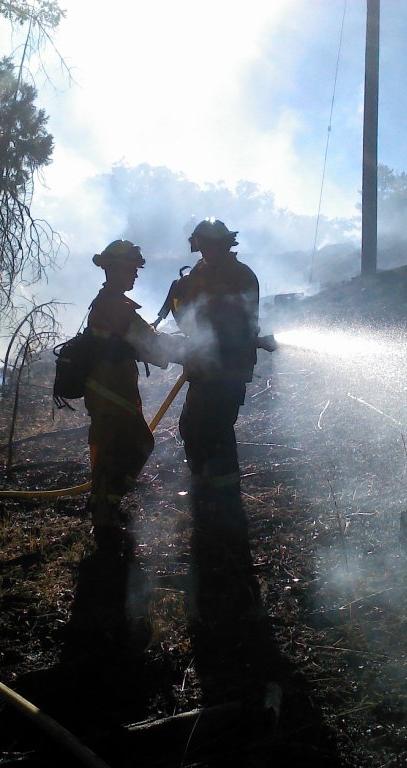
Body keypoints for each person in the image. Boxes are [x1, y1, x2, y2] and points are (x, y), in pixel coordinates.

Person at [171, 218, 274, 568]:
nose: (209, 252)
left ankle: (222, 502)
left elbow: (237, 324)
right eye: (204, 246)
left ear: (227, 245)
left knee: (214, 432)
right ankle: (206, 493)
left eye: (215, 246)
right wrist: (179, 296)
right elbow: (185, 321)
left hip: (226, 371)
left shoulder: (241, 277)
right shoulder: (195, 277)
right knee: (193, 428)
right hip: (203, 369)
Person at [85, 239, 180, 555]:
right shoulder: (117, 307)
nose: (136, 276)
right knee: (137, 444)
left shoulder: (107, 302)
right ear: (115, 269)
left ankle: (104, 511)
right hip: (111, 391)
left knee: (111, 449)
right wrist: (191, 350)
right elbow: (151, 344)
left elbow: (144, 340)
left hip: (108, 389)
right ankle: (105, 514)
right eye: (132, 269)